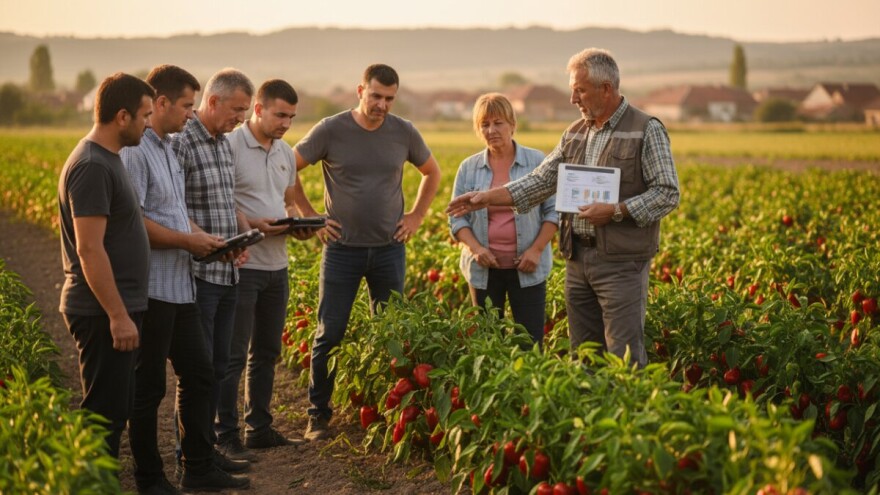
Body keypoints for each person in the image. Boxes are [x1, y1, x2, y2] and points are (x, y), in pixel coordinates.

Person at [448, 48, 680, 368]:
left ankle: (627, 415)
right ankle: (588, 413)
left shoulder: (645, 129)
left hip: (621, 262)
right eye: (572, 89)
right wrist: (486, 198)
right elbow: (541, 181)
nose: (573, 98)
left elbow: (667, 193)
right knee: (583, 354)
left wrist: (615, 211)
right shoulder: (575, 133)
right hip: (578, 259)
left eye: (580, 90)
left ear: (606, 89)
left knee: (623, 354)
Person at [292, 64, 442, 441]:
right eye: (376, 96)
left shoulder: (403, 131)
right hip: (342, 251)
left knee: (392, 334)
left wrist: (417, 216)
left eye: (389, 98)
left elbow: (432, 172)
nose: (382, 104)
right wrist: (310, 217)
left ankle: (387, 412)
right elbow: (286, 167)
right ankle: (318, 414)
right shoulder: (331, 129)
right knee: (330, 332)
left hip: (390, 249)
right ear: (361, 90)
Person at [121, 65, 249, 494]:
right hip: (154, 289)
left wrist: (214, 240)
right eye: (186, 106)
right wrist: (187, 241)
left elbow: (176, 213)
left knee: (200, 374)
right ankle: (150, 478)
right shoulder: (138, 151)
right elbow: (136, 222)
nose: (190, 115)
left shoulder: (164, 148)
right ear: (159, 104)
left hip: (181, 286)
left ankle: (198, 466)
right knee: (149, 388)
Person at [57, 72, 153, 459]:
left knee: (114, 411)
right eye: (145, 115)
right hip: (99, 310)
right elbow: (89, 250)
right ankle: (93, 485)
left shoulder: (108, 160)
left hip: (115, 306)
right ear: (123, 116)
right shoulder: (92, 165)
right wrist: (117, 315)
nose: (149, 123)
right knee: (103, 416)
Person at [216, 79, 312, 457]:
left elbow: (288, 203)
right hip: (243, 263)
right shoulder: (230, 146)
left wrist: (298, 225)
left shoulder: (286, 152)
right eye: (280, 114)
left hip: (277, 264)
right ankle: (225, 432)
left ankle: (259, 427)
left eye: (291, 116)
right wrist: (253, 222)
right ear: (257, 108)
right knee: (234, 352)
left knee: (268, 351)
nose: (286, 122)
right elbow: (221, 202)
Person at [173, 68, 254, 451]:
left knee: (220, 367)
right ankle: (193, 455)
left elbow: (225, 202)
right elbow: (172, 207)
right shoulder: (182, 143)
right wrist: (199, 238)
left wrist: (239, 237)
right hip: (198, 275)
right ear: (213, 101)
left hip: (228, 273)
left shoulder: (224, 143)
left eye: (246, 110)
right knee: (199, 373)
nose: (242, 118)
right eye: (237, 109)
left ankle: (208, 452)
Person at [449, 93, 558, 345]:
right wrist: (476, 249)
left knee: (529, 343)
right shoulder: (469, 167)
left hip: (528, 268)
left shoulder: (537, 162)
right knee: (488, 343)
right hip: (484, 270)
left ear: (512, 124)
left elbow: (553, 212)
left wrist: (535, 250)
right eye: (484, 125)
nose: (491, 130)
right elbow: (457, 219)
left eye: (498, 122)